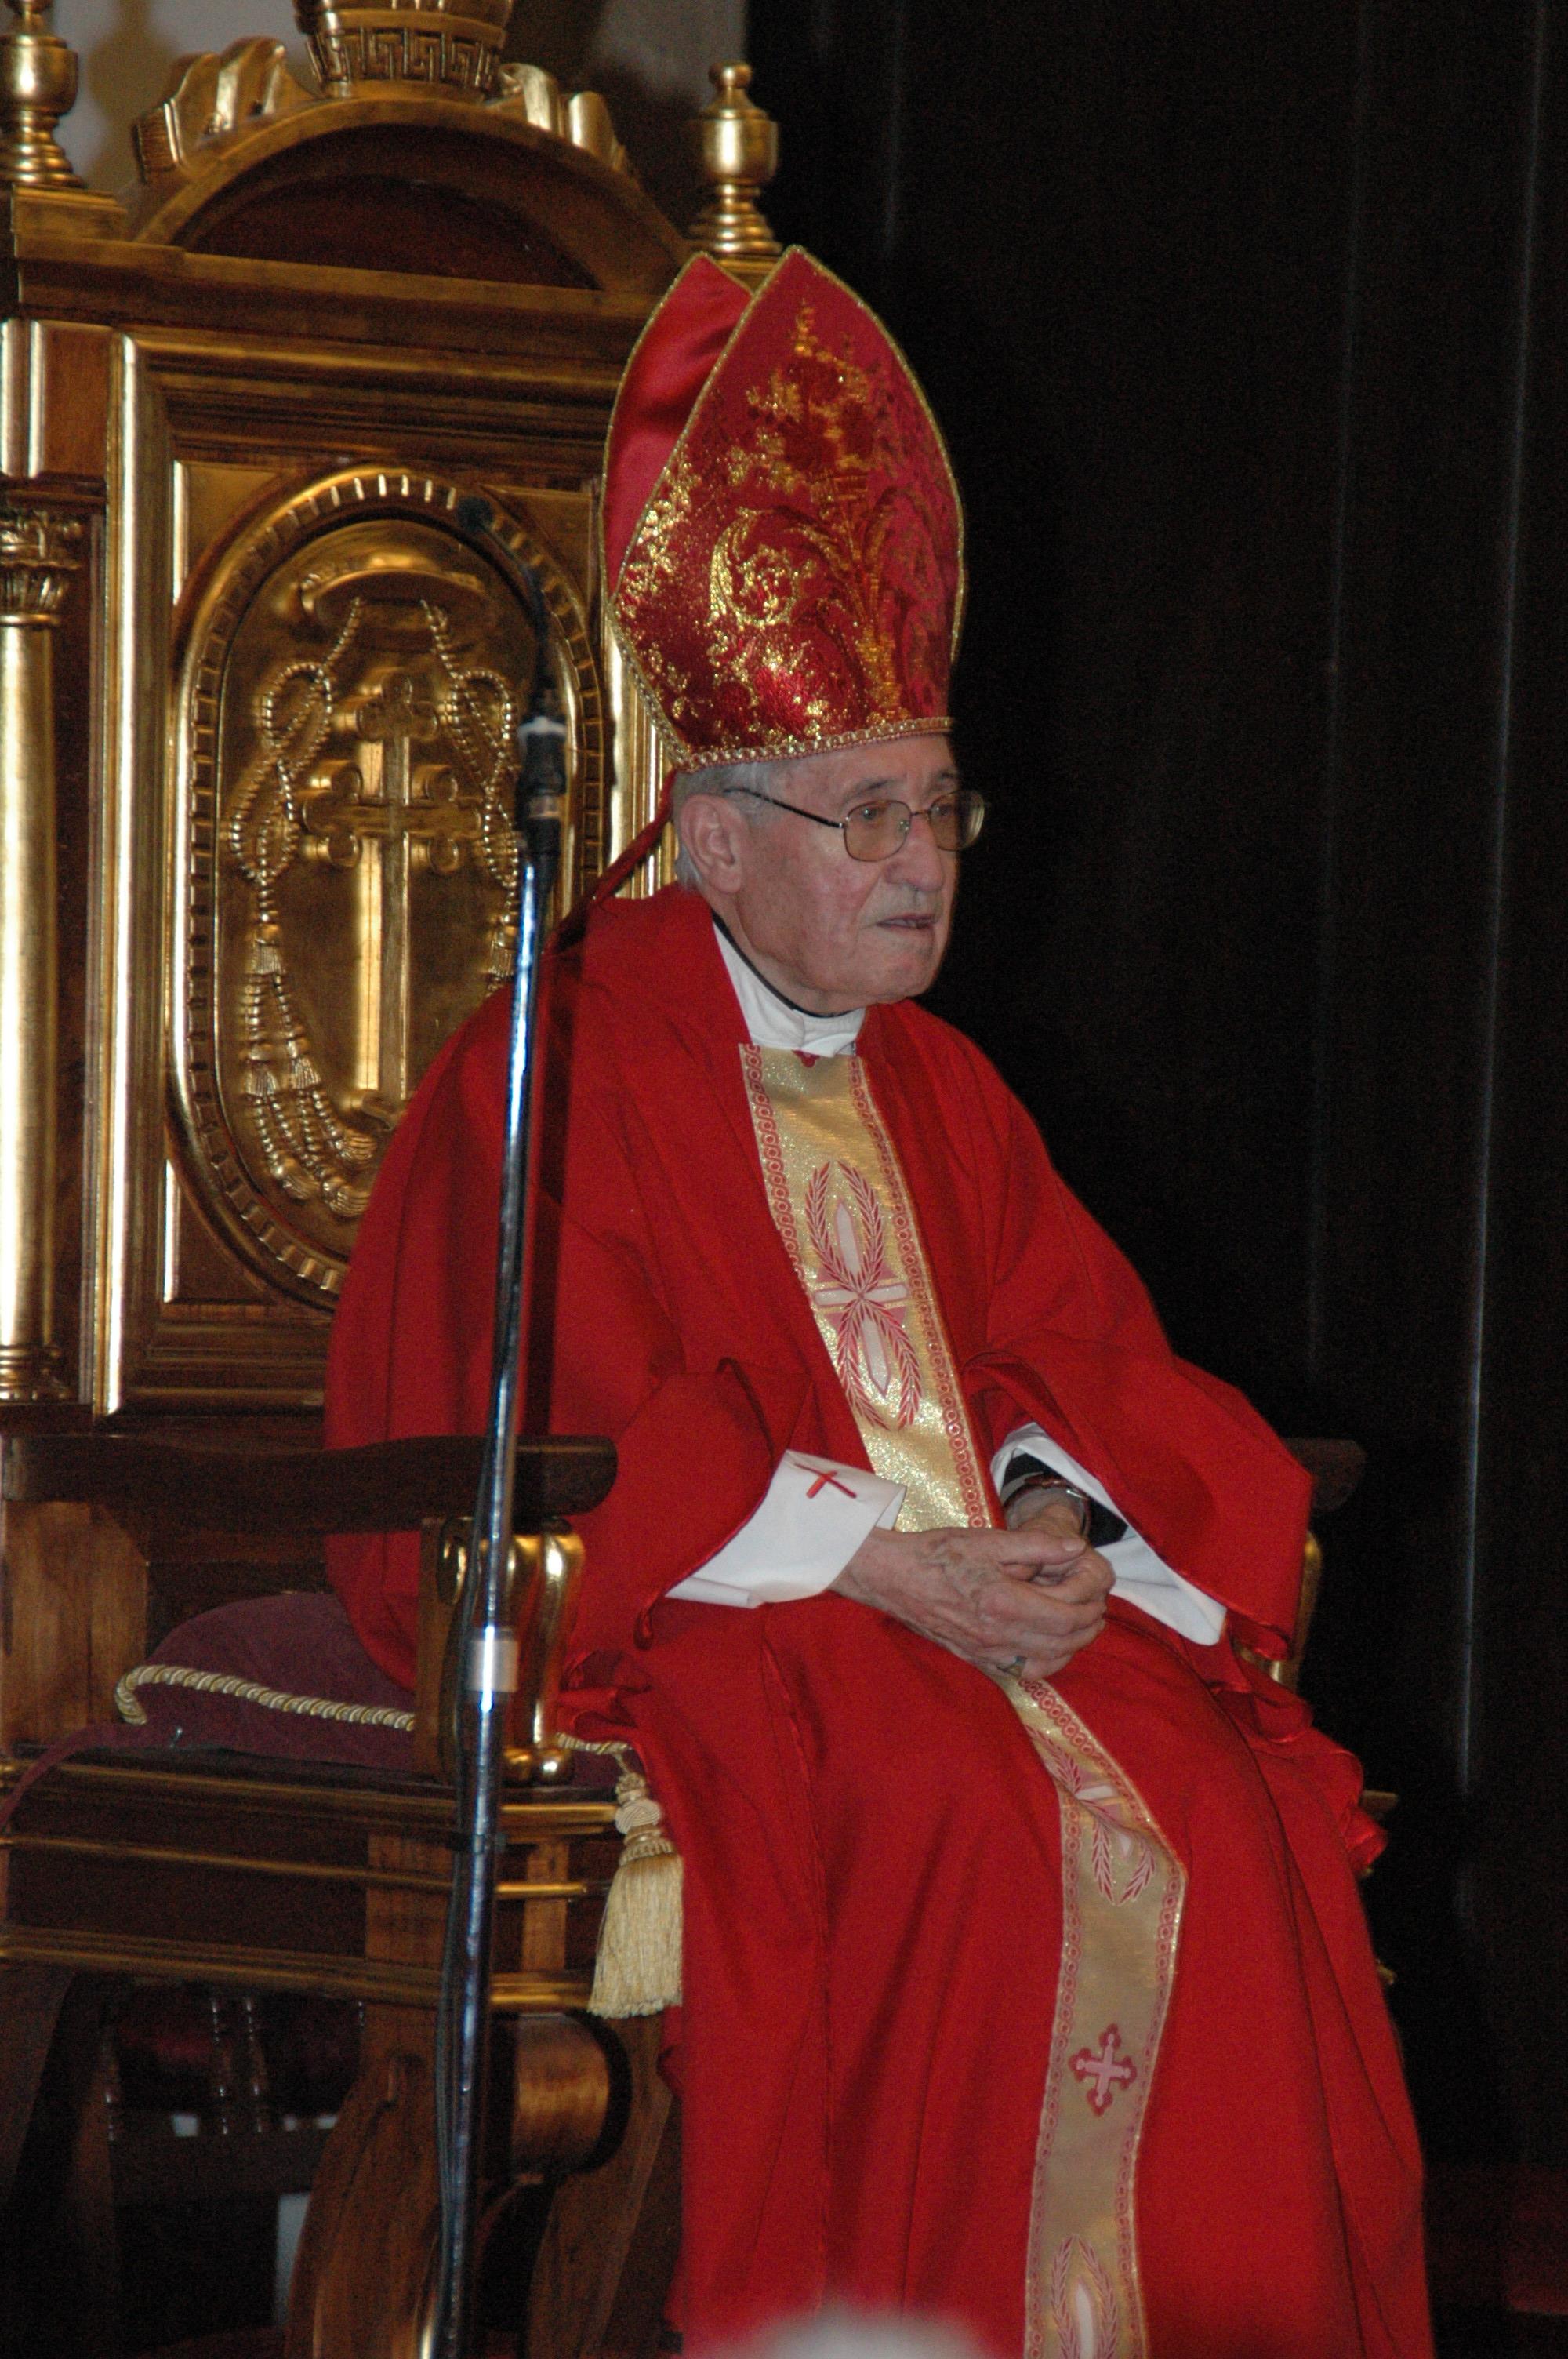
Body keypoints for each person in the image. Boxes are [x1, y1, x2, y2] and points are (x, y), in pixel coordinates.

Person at [325, 249, 1432, 2359]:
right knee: (944, 1809)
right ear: (716, 842)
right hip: (726, 1611)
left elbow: (1068, 1351)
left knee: (1215, 1795)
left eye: (944, 808)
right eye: (870, 816)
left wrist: (1052, 1520)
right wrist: (885, 1566)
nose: (924, 860)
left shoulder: (938, 1077)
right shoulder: (562, 1055)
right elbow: (556, 1403)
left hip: (956, 1612)